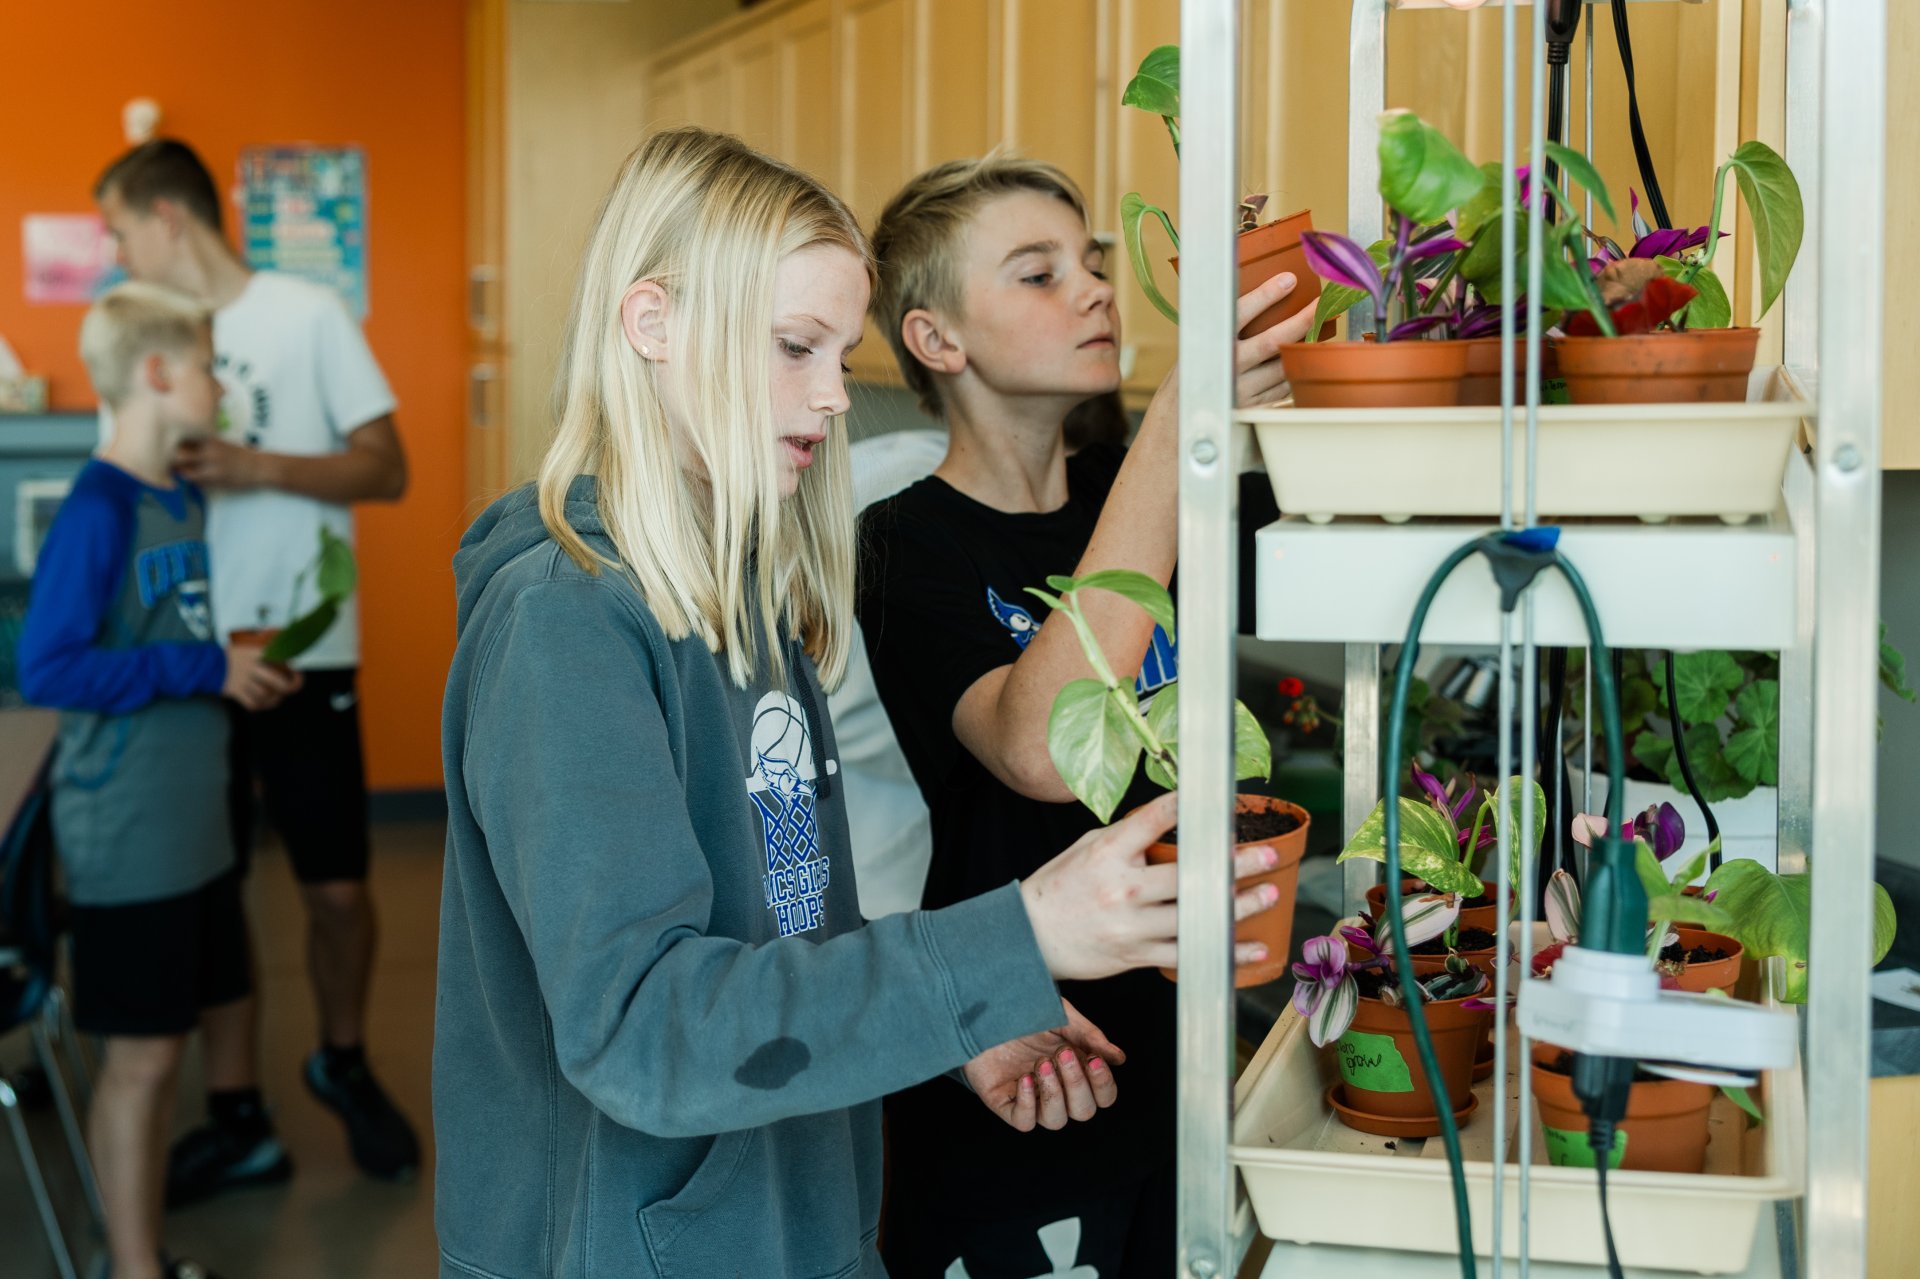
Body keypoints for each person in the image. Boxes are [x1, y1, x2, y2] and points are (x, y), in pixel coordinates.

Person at [432, 127, 1282, 1279]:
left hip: (798, 1227)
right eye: (795, 347)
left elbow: (781, 941)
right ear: (652, 326)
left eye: (837, 351)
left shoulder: (746, 598)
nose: (835, 396)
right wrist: (1017, 934)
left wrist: (955, 1021)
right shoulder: (564, 625)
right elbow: (645, 1026)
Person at [857, 153, 1310, 1277]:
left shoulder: (1142, 478)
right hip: (1023, 1062)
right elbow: (1040, 750)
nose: (1098, 289)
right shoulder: (907, 545)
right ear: (937, 340)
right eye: (1039, 272)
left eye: (1095, 263)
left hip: (1183, 1058)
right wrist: (1178, 431)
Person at [92, 139, 417, 1201]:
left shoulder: (304, 312)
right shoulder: (142, 335)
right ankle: (239, 1114)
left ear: (168, 216)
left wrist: (253, 465)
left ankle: (344, 1058)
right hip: (193, 656)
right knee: (212, 887)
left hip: (301, 643)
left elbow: (389, 465)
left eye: (120, 227)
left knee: (334, 887)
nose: (115, 248)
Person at [18, 282, 301, 1279]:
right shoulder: (98, 508)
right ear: (154, 374)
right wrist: (203, 667)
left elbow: (158, 635)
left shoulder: (178, 493)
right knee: (139, 1064)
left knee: (176, 1043)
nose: (220, 381)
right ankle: (131, 1266)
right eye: (208, 364)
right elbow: (46, 668)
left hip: (197, 835)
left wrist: (234, 658)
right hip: (130, 840)